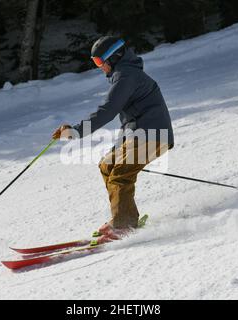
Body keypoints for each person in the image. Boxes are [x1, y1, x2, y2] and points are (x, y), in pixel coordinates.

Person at [53, 36, 174, 243]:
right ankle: (124, 218)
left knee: (120, 174)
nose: (99, 67)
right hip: (140, 134)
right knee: (108, 165)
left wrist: (76, 131)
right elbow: (129, 122)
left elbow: (107, 110)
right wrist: (117, 149)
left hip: (154, 135)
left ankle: (124, 224)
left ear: (114, 57)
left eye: (100, 62)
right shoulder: (124, 75)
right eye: (95, 63)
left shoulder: (127, 76)